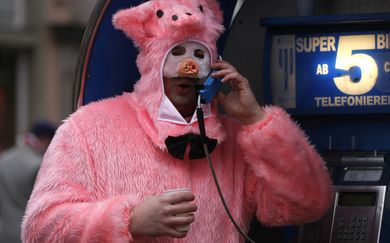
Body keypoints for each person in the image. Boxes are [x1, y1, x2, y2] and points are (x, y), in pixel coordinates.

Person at [21, 0, 333, 242]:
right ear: (153, 63)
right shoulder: (89, 128)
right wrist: (129, 220)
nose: (187, 67)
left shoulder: (233, 140)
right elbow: (41, 228)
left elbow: (309, 202)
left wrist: (256, 120)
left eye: (198, 55)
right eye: (177, 52)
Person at [0, 120, 56, 243]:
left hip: (4, 233)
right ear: (45, 139)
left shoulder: (3, 160)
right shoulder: (37, 165)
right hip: (26, 235)